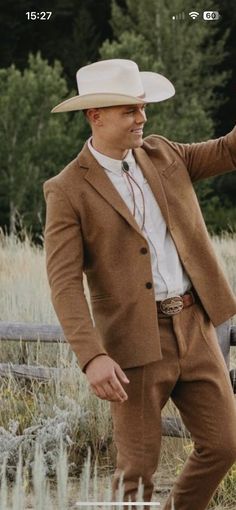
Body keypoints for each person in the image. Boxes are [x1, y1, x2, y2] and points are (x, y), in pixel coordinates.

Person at [44, 59, 236, 510]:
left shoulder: (165, 154)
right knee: (137, 474)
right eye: (131, 110)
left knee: (226, 444)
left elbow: (229, 150)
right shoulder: (67, 189)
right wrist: (92, 357)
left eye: (142, 107)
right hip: (134, 344)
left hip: (196, 326)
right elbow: (64, 283)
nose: (142, 118)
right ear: (96, 116)